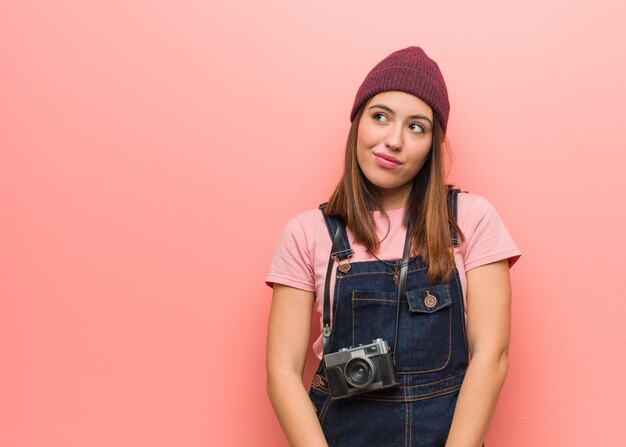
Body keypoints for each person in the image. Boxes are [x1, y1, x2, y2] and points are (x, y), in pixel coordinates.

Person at [265, 46, 521, 447]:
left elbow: (492, 355)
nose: (394, 140)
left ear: (432, 146)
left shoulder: (470, 219)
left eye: (416, 127)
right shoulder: (306, 232)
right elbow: (282, 371)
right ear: (358, 123)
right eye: (380, 117)